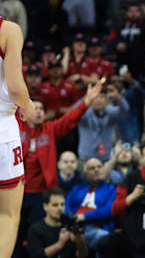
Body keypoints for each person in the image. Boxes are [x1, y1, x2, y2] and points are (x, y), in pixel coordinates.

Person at [16, 86, 101, 249]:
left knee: (38, 234)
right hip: (18, 191)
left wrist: (87, 101)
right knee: (16, 233)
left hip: (42, 194)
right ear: (25, 113)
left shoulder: (50, 129)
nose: (39, 111)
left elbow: (70, 118)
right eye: (35, 108)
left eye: (41, 108)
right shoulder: (16, 128)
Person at [0, 17, 36, 258]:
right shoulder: (8, 29)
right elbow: (14, 87)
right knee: (8, 215)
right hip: (2, 130)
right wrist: (28, 105)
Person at [65, 158, 116, 249]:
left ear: (104, 169)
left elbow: (110, 210)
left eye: (99, 167)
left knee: (105, 238)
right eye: (92, 168)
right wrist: (70, 219)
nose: (96, 169)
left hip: (97, 227)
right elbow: (66, 205)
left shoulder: (111, 189)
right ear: (85, 174)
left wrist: (84, 216)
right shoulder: (77, 189)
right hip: (74, 226)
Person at [27, 187, 88, 258]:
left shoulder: (71, 226)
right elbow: (36, 256)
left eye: (62, 204)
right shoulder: (35, 229)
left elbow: (83, 255)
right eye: (55, 205)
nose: (60, 208)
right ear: (45, 206)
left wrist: (79, 241)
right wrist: (60, 244)